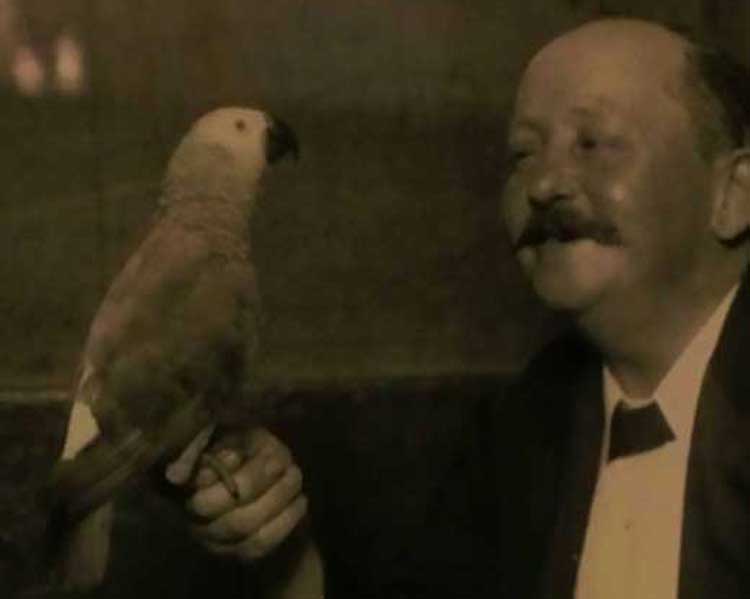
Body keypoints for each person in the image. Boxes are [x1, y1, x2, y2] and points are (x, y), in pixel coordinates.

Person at [183, 16, 750, 599]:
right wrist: (280, 542)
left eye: (594, 143)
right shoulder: (528, 427)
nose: (544, 184)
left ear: (733, 195)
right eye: (522, 154)